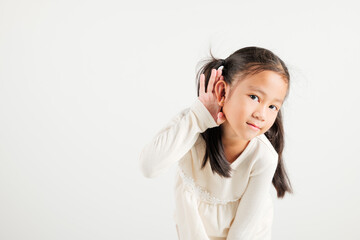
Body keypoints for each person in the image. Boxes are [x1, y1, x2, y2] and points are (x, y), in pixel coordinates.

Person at [139, 46, 293, 240]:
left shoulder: (263, 158)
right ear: (222, 91)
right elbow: (149, 167)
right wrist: (196, 118)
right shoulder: (191, 126)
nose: (261, 114)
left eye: (272, 106)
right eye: (254, 97)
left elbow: (243, 232)